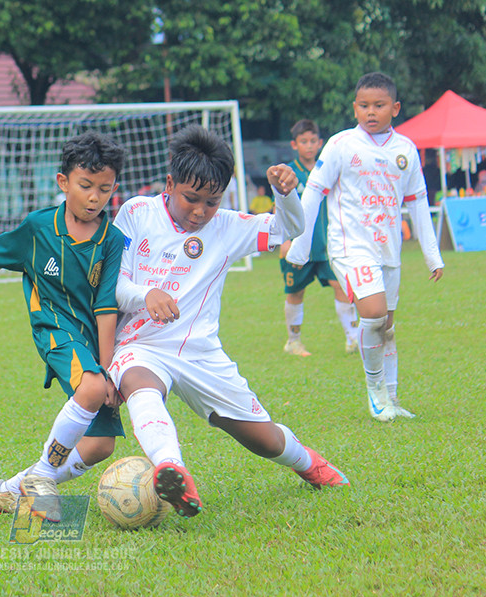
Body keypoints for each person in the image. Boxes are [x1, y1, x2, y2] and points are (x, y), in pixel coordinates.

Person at [109, 124, 349, 520]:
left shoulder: (228, 226)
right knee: (140, 383)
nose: (201, 211)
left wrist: (286, 194)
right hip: (143, 345)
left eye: (212, 201)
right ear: (169, 183)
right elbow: (112, 282)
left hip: (203, 355)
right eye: (191, 199)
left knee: (263, 439)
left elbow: (289, 228)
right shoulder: (136, 212)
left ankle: (309, 463)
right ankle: (172, 467)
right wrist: (144, 295)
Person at [0, 132, 127, 522]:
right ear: (63, 182)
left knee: (100, 445)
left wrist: (110, 371)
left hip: (92, 340)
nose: (95, 197)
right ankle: (41, 479)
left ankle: (11, 488)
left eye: (105, 189)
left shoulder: (112, 240)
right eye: (86, 186)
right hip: (54, 329)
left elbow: (107, 305)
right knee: (91, 388)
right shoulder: (39, 227)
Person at [286, 72, 444, 422]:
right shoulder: (342, 144)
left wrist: (432, 254)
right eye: (363, 105)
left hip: (389, 251)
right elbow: (313, 190)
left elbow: (418, 202)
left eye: (379, 105)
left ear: (395, 108)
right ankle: (375, 394)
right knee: (372, 313)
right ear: (354, 108)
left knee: (386, 325)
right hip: (349, 247)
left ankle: (392, 397)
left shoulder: (406, 150)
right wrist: (299, 246)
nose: (370, 112)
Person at [279, 120, 359, 357]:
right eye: (304, 141)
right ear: (295, 144)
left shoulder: (328, 170)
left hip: (328, 246)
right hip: (298, 247)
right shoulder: (288, 173)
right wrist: (284, 242)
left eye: (313, 141)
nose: (309, 146)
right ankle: (293, 341)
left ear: (321, 143)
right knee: (296, 292)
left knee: (342, 287)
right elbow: (280, 209)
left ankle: (353, 339)